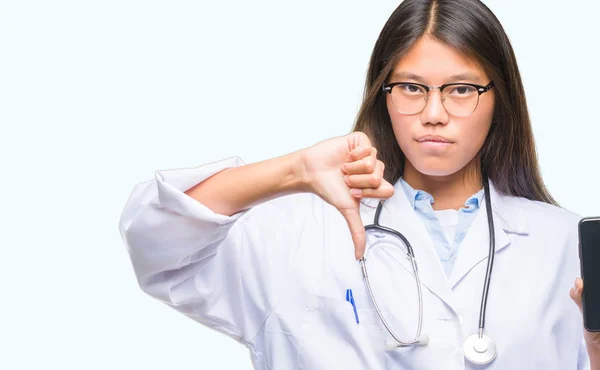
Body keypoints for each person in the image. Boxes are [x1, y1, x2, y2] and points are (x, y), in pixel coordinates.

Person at [118, 0, 600, 368]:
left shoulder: (565, 244)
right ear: (384, 95)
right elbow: (157, 245)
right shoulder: (297, 231)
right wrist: (296, 171)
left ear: (500, 98)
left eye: (461, 89)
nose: (434, 115)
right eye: (412, 87)